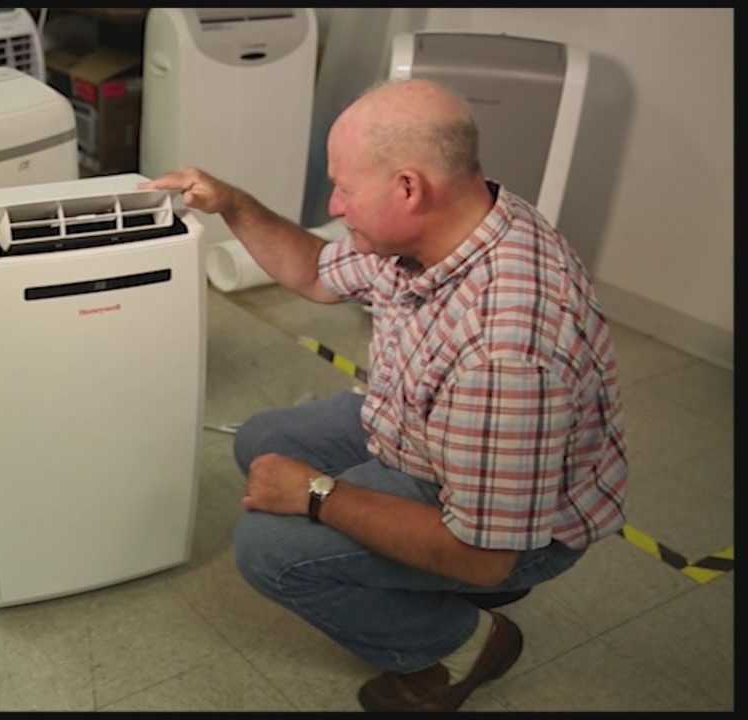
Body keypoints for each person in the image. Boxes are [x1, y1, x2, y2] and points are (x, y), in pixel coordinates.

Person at [140, 78, 628, 713]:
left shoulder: (506, 350)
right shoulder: (455, 222)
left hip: (512, 537)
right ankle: (403, 572)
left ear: (408, 187)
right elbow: (318, 273)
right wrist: (231, 203)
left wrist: (318, 496)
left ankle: (462, 642)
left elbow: (485, 557)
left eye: (344, 187)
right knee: (265, 442)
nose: (336, 206)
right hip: (428, 434)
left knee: (267, 549)